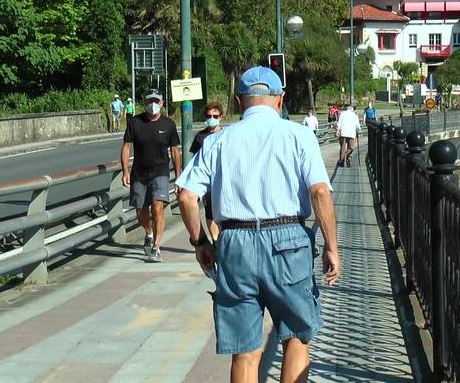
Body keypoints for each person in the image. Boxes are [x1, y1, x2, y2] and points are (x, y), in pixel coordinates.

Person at [176, 66, 341, 383]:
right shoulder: (300, 135)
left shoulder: (217, 141)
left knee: (245, 350)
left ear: (240, 102)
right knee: (296, 337)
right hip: (289, 242)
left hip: (235, 243)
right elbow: (320, 191)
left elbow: (186, 197)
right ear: (280, 99)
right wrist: (332, 247)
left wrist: (201, 243)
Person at [121, 89, 182, 262]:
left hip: (160, 172)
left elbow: (175, 151)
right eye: (149, 101)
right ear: (145, 103)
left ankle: (156, 246)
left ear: (162, 103)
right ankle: (148, 232)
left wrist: (179, 175)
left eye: (156, 101)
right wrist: (125, 170)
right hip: (139, 172)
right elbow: (126, 147)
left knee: (157, 207)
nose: (153, 105)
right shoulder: (135, 122)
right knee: (140, 210)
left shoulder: (168, 124)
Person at [188, 101, 224, 242]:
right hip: (207, 181)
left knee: (223, 212)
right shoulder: (200, 137)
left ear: (220, 116)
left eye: (215, 116)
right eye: (209, 115)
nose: (212, 118)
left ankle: (224, 239)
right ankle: (216, 241)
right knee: (210, 214)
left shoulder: (226, 135)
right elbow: (193, 161)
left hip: (223, 180)